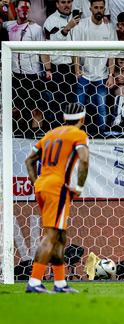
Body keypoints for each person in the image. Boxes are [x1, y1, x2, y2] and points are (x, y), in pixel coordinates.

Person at [23, 103, 90, 293]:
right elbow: (84, 159)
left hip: (42, 186)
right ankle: (34, 281)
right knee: (51, 236)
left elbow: (29, 160)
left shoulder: (50, 134)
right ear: (82, 119)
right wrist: (79, 187)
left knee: (60, 236)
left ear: (63, 119)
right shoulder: (79, 135)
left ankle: (60, 283)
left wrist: (37, 182)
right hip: (57, 188)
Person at [2, 0, 50, 138]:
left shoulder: (36, 28)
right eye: (22, 7)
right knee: (16, 110)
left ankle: (35, 139)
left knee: (36, 109)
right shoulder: (8, 26)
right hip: (15, 74)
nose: (25, 10)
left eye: (27, 8)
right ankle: (23, 134)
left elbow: (44, 50)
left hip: (33, 74)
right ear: (16, 9)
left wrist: (48, 69)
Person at [70, 0, 117, 136]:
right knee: (78, 106)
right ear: (90, 9)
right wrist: (76, 69)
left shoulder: (109, 28)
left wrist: (111, 75)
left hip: (101, 74)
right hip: (84, 73)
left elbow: (112, 55)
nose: (98, 10)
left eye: (101, 8)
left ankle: (101, 134)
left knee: (102, 107)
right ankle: (75, 133)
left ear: (104, 9)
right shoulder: (82, 25)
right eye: (95, 7)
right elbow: (76, 50)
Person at [44, 0, 81, 126]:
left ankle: (70, 130)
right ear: (57, 4)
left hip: (72, 66)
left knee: (71, 101)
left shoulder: (77, 18)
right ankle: (57, 131)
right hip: (57, 67)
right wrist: (66, 29)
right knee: (59, 100)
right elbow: (51, 44)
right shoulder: (51, 20)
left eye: (69, 2)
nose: (67, 5)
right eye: (63, 2)